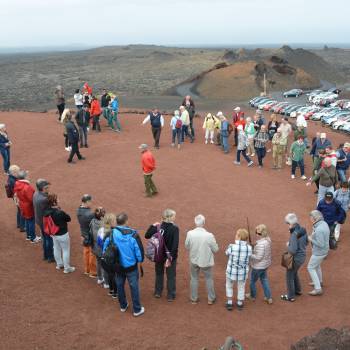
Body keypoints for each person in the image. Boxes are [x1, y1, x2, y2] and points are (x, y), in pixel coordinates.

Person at [103, 212, 145, 317]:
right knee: (134, 286)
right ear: (126, 221)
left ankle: (123, 305)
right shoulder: (133, 234)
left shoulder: (111, 233)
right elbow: (139, 251)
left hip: (117, 266)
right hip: (131, 267)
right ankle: (137, 309)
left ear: (117, 222)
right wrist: (139, 260)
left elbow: (105, 248)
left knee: (120, 285)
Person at [145, 208, 179, 301]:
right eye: (174, 216)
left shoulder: (158, 227)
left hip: (158, 254)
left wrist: (152, 226)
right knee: (171, 276)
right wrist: (170, 258)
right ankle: (170, 295)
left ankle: (158, 292)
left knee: (159, 273)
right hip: (170, 256)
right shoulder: (175, 228)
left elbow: (147, 235)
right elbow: (175, 245)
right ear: (170, 217)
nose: (175, 217)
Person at [185, 214, 218, 305]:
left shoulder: (190, 233)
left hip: (193, 260)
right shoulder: (209, 235)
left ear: (195, 223)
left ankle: (193, 298)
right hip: (206, 261)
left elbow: (187, 246)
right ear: (204, 223)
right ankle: (211, 298)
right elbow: (215, 249)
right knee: (209, 279)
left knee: (194, 278)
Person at [44, 193, 75, 274]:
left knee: (56, 248)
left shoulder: (47, 211)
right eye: (57, 199)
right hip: (62, 234)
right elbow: (68, 218)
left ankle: (59, 264)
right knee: (65, 250)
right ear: (54, 202)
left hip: (53, 234)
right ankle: (67, 268)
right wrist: (60, 210)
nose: (58, 199)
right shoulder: (59, 212)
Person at [281, 213, 308, 302]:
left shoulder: (294, 234)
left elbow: (292, 250)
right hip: (302, 257)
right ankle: (298, 290)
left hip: (295, 259)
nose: (287, 225)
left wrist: (288, 245)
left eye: (287, 223)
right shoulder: (303, 229)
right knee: (294, 273)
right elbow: (307, 242)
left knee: (289, 276)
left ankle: (290, 296)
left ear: (290, 223)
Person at [225, 228, 252, 311]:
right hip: (242, 273)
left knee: (229, 285)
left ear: (239, 237)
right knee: (241, 287)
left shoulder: (232, 247)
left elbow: (226, 253)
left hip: (231, 272)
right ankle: (239, 303)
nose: (235, 236)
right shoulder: (249, 248)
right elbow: (249, 255)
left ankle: (229, 302)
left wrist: (229, 247)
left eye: (236, 234)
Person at [246, 224, 272, 304]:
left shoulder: (261, 244)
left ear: (260, 234)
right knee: (264, 280)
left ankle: (252, 296)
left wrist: (249, 253)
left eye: (257, 233)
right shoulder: (268, 240)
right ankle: (269, 297)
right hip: (265, 264)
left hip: (258, 266)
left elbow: (258, 257)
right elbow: (259, 244)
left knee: (252, 281)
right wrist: (254, 245)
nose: (256, 234)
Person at [14, 170, 41, 243]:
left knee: (27, 220)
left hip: (22, 205)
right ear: (24, 177)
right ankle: (33, 238)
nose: (29, 177)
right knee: (31, 222)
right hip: (28, 206)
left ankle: (28, 236)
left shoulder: (17, 183)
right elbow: (31, 199)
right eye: (27, 175)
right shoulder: (27, 187)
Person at [307, 210, 330, 296]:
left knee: (310, 267)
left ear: (315, 218)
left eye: (311, 217)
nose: (310, 219)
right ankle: (319, 281)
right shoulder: (323, 223)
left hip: (319, 252)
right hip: (323, 251)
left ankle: (318, 288)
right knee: (317, 266)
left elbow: (320, 244)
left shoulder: (320, 229)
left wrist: (310, 239)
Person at [33, 178, 54, 262]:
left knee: (45, 239)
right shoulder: (44, 199)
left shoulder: (36, 194)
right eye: (47, 187)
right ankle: (50, 257)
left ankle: (45, 255)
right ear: (43, 188)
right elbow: (51, 210)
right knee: (48, 239)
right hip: (45, 222)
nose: (49, 188)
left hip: (39, 220)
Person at [99, 213, 118, 297]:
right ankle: (115, 292)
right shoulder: (114, 232)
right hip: (113, 257)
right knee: (115, 275)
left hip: (105, 256)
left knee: (110, 274)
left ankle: (111, 290)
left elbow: (100, 243)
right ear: (111, 222)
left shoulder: (101, 230)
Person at [77, 194, 96, 277]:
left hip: (83, 234)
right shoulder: (89, 214)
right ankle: (93, 272)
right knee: (92, 254)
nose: (91, 203)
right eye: (90, 201)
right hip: (90, 236)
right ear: (87, 202)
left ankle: (87, 270)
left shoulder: (79, 210)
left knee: (86, 252)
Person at [89, 207, 106, 286]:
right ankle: (106, 280)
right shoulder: (103, 224)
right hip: (102, 248)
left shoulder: (92, 222)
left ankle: (99, 278)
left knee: (99, 262)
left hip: (95, 247)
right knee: (105, 264)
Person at [7, 165, 25, 232]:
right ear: (14, 172)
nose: (19, 173)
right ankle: (22, 227)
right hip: (17, 197)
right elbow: (18, 189)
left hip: (15, 197)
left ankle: (19, 224)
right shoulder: (12, 180)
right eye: (18, 172)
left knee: (19, 210)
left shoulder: (10, 178)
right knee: (22, 211)